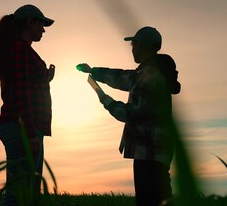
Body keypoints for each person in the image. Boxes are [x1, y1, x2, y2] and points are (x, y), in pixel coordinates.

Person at [77, 26, 181, 206]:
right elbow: (122, 77)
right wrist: (93, 71)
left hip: (150, 150)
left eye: (133, 45)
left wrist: (106, 101)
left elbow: (133, 113)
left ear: (142, 46)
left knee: (152, 201)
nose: (132, 49)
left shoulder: (149, 76)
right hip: (154, 149)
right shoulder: (148, 72)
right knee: (162, 197)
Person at [0, 4, 55, 206]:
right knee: (19, 195)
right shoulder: (19, 50)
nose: (43, 29)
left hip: (22, 127)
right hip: (22, 128)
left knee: (26, 193)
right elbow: (19, 93)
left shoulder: (19, 51)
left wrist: (45, 78)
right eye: (41, 24)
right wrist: (30, 133)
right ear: (29, 23)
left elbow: (24, 85)